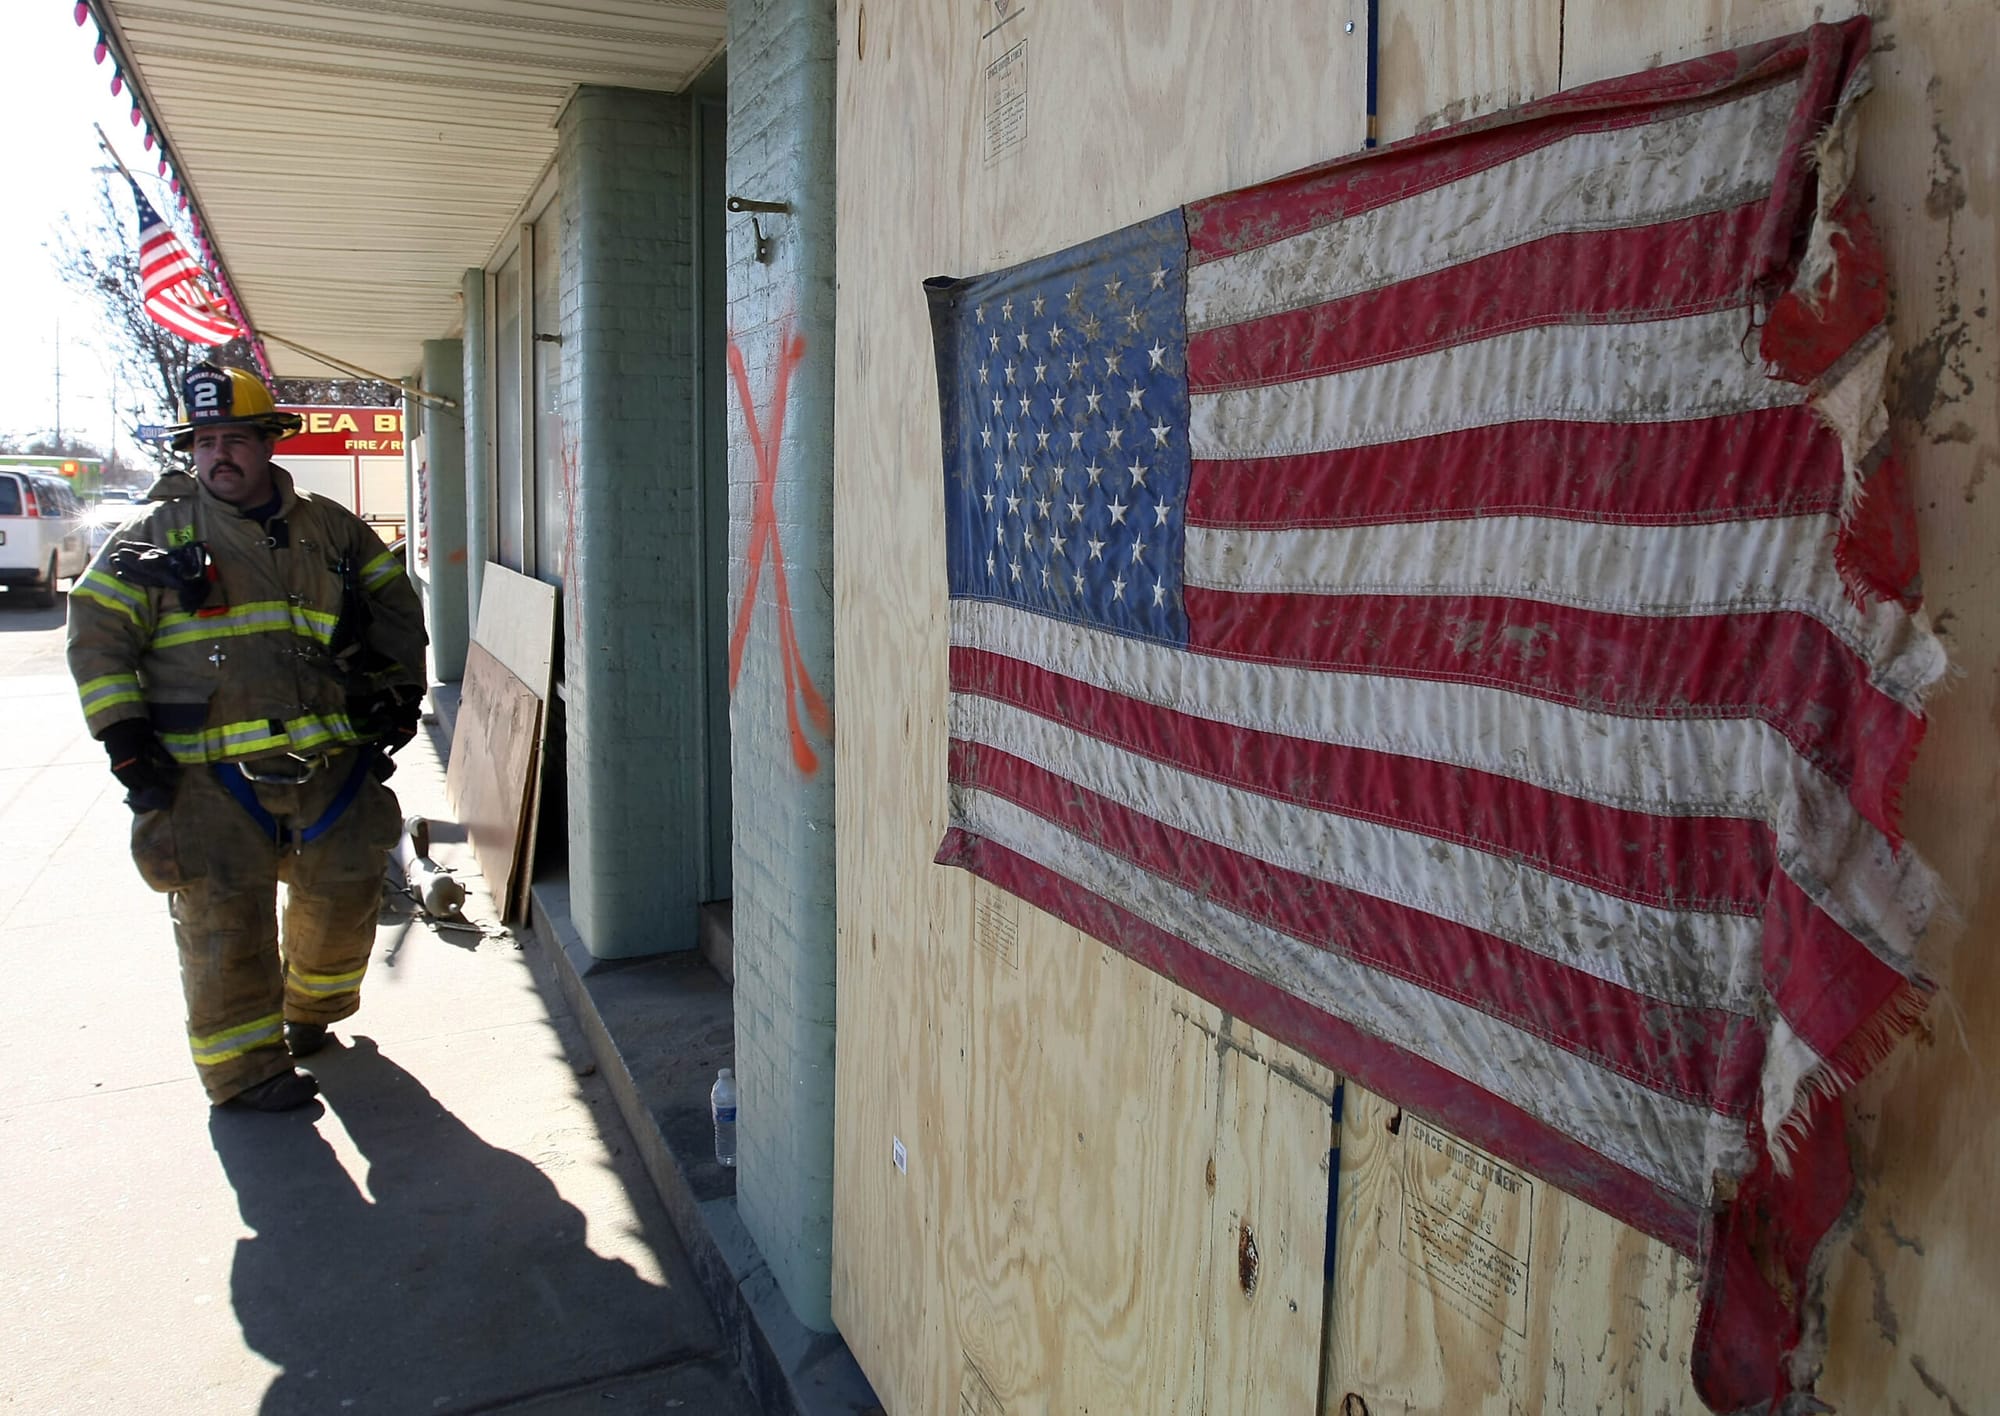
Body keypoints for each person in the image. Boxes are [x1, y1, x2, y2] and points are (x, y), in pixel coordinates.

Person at [67, 362, 428, 1112]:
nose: (218, 455)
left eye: (234, 438)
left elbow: (395, 605)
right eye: (203, 442)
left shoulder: (332, 529)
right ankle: (244, 1071)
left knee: (345, 897)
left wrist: (399, 690)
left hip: (329, 765)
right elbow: (98, 639)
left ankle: (309, 1013)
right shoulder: (153, 539)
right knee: (223, 923)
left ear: (270, 444)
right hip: (205, 778)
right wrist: (125, 740)